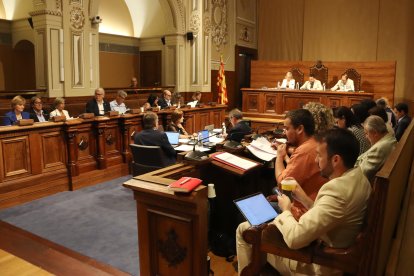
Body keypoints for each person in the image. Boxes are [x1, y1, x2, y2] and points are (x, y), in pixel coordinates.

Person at [236, 128, 372, 275]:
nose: (315, 160)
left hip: (320, 264)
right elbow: (327, 214)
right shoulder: (359, 177)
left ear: (336, 160)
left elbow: (295, 239)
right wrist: (303, 197)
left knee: (244, 230)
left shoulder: (337, 191)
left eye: (319, 156)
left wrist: (286, 209)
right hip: (326, 247)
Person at [272, 109, 327, 220]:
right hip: (314, 203)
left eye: (287, 129)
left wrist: (279, 157)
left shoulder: (304, 151)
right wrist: (286, 156)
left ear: (300, 129)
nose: (284, 133)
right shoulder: (316, 141)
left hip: (302, 212)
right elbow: (302, 169)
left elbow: (283, 184)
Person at [355, 115, 396, 181]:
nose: (366, 137)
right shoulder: (389, 138)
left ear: (375, 133)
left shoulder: (380, 148)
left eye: (366, 133)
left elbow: (362, 174)